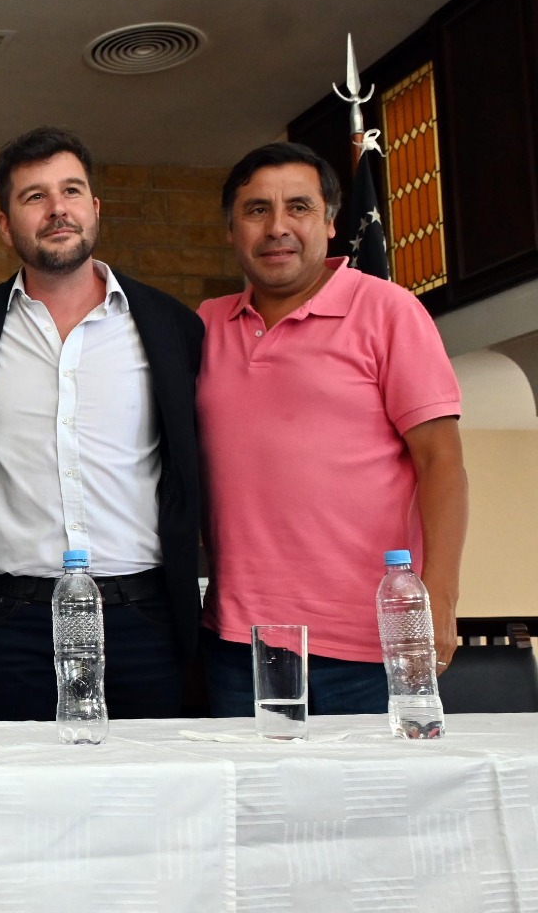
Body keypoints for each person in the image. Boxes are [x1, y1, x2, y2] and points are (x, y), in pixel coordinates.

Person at [0, 125, 204, 722]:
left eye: (72, 191)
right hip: (8, 625)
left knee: (148, 802)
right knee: (16, 804)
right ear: (5, 224)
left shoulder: (170, 325)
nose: (58, 210)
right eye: (34, 197)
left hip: (142, 619)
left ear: (95, 208)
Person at [198, 142, 467, 715]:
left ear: (329, 220)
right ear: (231, 229)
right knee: (252, 806)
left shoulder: (389, 311)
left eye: (298, 207)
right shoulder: (204, 325)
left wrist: (438, 599)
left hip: (368, 646)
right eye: (256, 210)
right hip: (237, 647)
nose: (277, 227)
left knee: (370, 805)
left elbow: (441, 461)